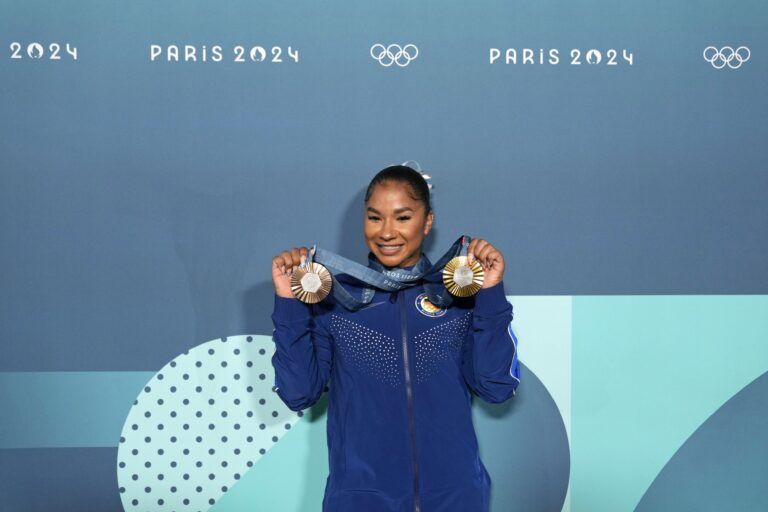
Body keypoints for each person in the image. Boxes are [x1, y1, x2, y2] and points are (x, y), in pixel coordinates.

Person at [269, 165, 520, 512]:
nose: (387, 232)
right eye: (375, 217)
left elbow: (496, 387)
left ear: (427, 222)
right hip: (360, 501)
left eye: (403, 217)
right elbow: (298, 393)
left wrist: (490, 292)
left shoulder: (458, 297)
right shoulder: (336, 300)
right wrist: (288, 301)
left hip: (455, 497)